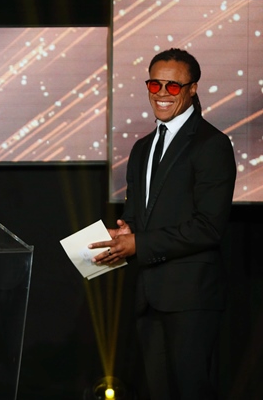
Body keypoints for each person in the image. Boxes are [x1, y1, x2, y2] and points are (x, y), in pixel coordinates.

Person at [89, 48, 236, 399]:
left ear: (192, 89)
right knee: (158, 391)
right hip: (148, 295)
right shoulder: (142, 147)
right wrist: (124, 232)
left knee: (192, 391)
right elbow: (139, 214)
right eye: (155, 84)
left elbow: (208, 227)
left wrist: (140, 243)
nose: (161, 93)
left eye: (172, 87)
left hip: (191, 297)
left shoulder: (212, 144)